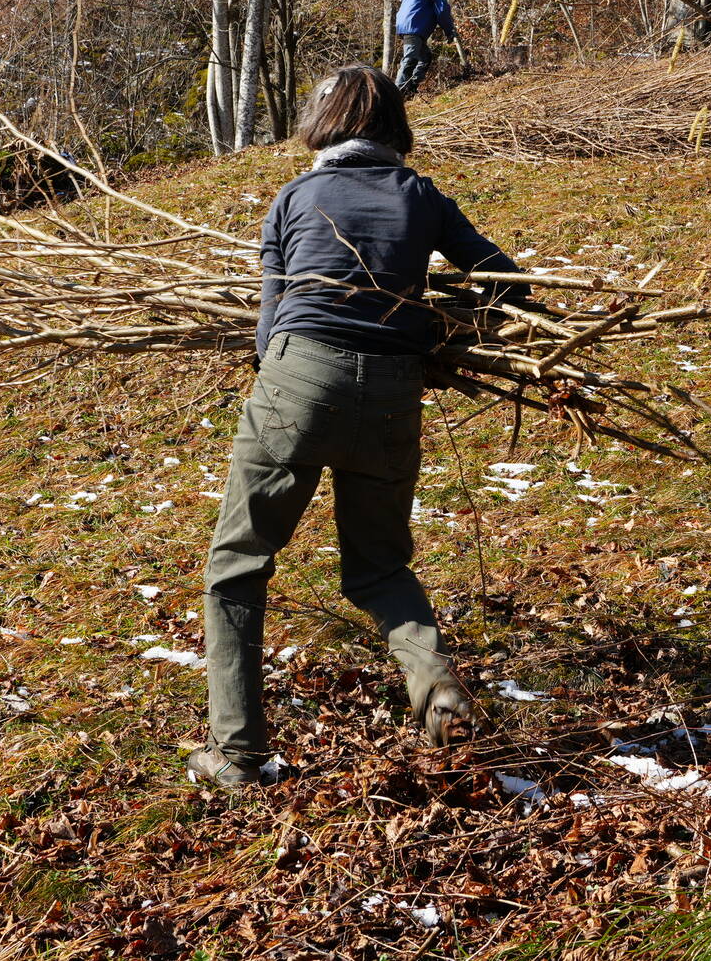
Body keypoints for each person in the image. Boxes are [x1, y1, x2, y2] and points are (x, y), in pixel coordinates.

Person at [187, 65, 526, 788]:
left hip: (297, 382)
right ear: (393, 126)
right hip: (393, 394)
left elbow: (268, 328)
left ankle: (237, 752)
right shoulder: (422, 196)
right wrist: (444, 338)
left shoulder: (295, 196)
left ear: (325, 123)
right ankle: (435, 689)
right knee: (378, 567)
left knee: (237, 567)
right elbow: (508, 282)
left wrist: (290, 379)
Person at [394, 0, 457, 97]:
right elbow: (442, 10)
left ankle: (410, 88)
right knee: (410, 59)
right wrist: (449, 30)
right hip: (414, 26)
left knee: (425, 57)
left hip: (403, 23)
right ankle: (396, 94)